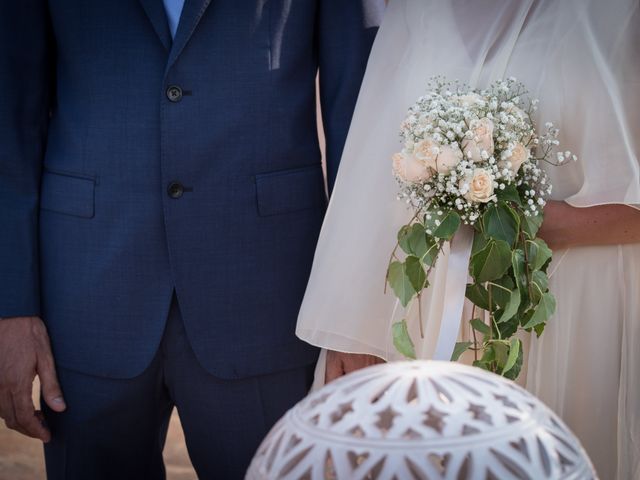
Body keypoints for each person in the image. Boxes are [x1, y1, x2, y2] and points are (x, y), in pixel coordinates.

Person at [0, 1, 379, 478]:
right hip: (87, 296)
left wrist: (355, 314)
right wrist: (10, 304)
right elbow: (7, 119)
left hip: (269, 299)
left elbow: (363, 109)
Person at [296, 1, 640, 478]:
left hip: (585, 311)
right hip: (431, 317)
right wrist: (351, 329)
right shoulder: (419, 11)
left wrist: (558, 224)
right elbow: (371, 172)